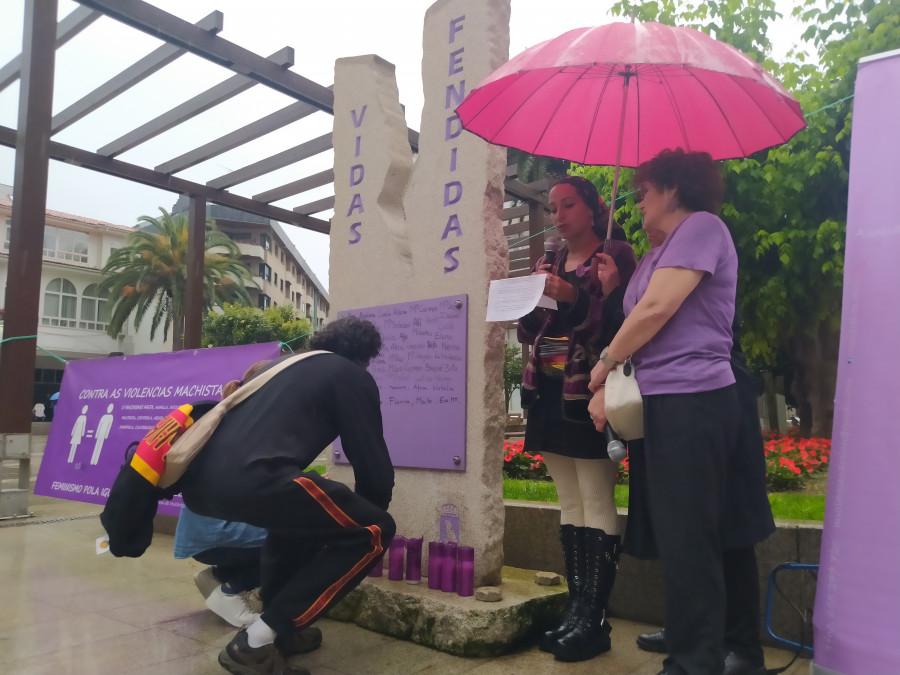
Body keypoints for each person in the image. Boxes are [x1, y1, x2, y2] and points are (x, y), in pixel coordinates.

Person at [588, 148, 772, 675]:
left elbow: (656, 310)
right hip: (664, 401)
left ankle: (693, 663)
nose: (637, 199)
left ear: (673, 189)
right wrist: (612, 288)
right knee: (689, 532)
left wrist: (604, 363)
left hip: (696, 398)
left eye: (645, 189)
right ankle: (717, 651)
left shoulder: (702, 227)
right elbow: (644, 309)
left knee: (691, 535)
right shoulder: (657, 251)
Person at [179, 316, 395, 675]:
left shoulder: (275, 367)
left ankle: (283, 634)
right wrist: (370, 512)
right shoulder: (350, 374)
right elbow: (370, 461)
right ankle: (256, 642)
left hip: (199, 484)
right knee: (374, 529)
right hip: (252, 481)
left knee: (296, 520)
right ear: (364, 356)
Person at [517, 175, 636, 663]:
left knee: (594, 493)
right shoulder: (549, 261)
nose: (558, 215)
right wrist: (523, 299)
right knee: (569, 498)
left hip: (588, 390)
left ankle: (596, 616)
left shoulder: (618, 257)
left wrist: (579, 296)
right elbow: (532, 330)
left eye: (568, 205)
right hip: (545, 389)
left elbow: (622, 324)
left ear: (591, 208)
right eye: (553, 207)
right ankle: (576, 607)